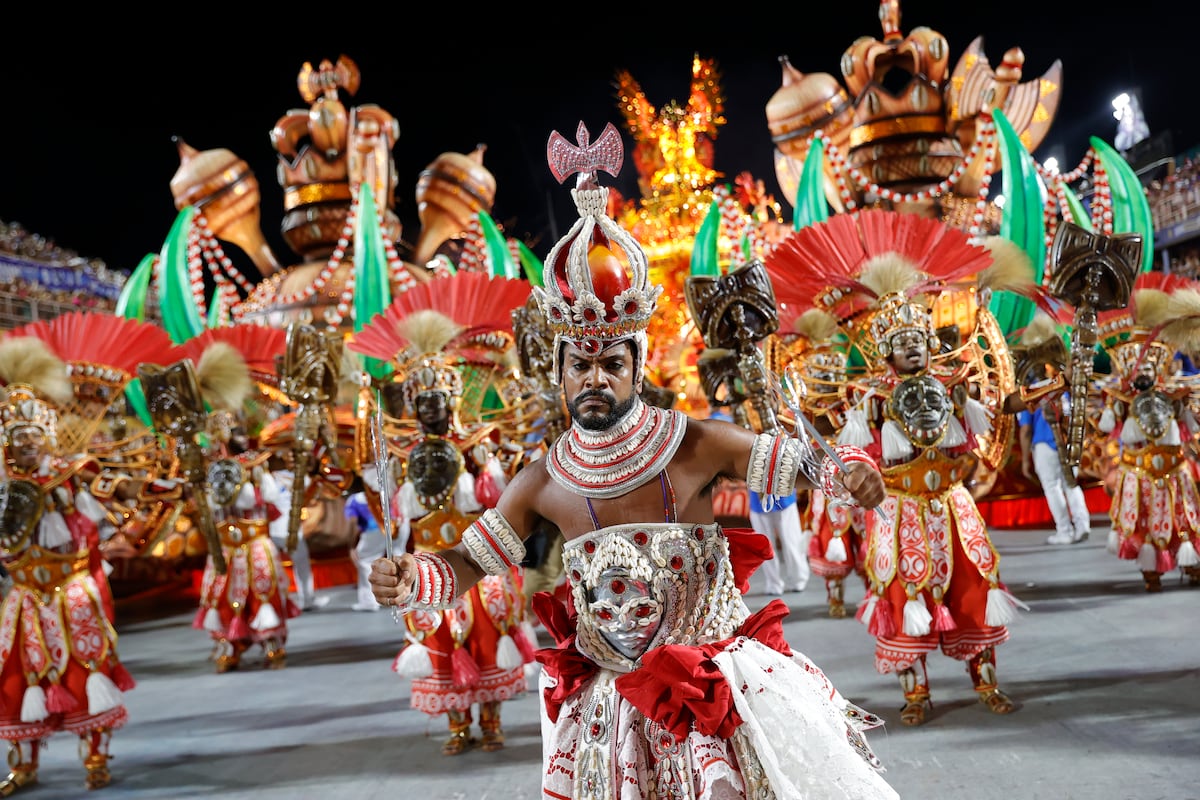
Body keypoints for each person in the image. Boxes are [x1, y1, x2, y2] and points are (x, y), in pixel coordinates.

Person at [370, 125, 898, 799]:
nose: (595, 378)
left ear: (636, 367)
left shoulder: (691, 444)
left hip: (717, 698)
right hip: (612, 711)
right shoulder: (544, 481)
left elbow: (802, 465)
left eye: (611, 364)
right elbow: (468, 564)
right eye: (580, 364)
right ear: (557, 373)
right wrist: (411, 577)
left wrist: (848, 472)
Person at [765, 209, 1034, 727]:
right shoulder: (868, 398)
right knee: (900, 592)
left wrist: (1035, 390)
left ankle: (987, 680)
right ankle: (916, 692)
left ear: (930, 343)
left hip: (953, 505)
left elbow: (997, 413)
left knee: (976, 585)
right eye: (902, 343)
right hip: (900, 509)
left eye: (918, 340)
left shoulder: (956, 386)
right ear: (887, 352)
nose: (912, 348)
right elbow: (857, 455)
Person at [0, 340, 137, 793]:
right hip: (22, 596)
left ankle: (95, 754)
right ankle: (24, 763)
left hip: (71, 588)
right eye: (16, 437)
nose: (25, 444)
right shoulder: (3, 487)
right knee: (20, 678)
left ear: (47, 434)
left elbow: (117, 499)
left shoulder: (72, 474)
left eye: (32, 435)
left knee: (87, 669)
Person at [1018, 398, 1091, 545]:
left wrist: (1025, 459)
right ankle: (1082, 525)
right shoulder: (1063, 389)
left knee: (1052, 487)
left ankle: (1064, 531)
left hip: (1044, 444)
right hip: (1067, 442)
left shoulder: (1031, 393)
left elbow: (1026, 429)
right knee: (1071, 484)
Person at [268, 449, 329, 611]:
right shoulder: (276, 477)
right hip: (282, 529)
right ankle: (299, 600)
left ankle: (282, 601)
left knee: (288, 565)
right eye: (289, 457)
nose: (291, 460)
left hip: (279, 529)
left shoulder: (277, 477)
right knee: (290, 566)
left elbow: (314, 490)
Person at [345, 489, 386, 612]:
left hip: (372, 530)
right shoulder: (381, 493)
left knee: (365, 563)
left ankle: (369, 601)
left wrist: (351, 546)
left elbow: (353, 523)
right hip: (391, 528)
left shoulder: (353, 500)